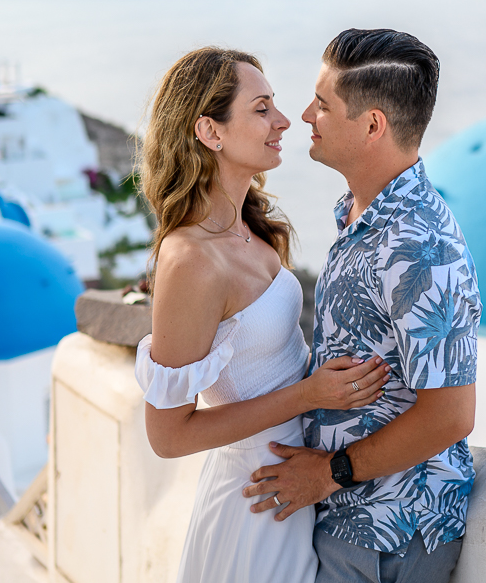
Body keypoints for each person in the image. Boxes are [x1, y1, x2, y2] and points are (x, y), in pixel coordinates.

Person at [134, 47, 391, 583]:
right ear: (210, 131)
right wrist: (307, 395)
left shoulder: (252, 229)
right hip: (255, 501)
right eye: (261, 108)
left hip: (297, 483)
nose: (283, 121)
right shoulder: (190, 260)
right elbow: (169, 436)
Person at [243, 29, 481, 583]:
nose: (304, 115)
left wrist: (328, 474)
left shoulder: (420, 246)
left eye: (324, 105)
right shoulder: (361, 216)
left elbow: (451, 414)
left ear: (373, 125)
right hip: (353, 524)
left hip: (393, 535)